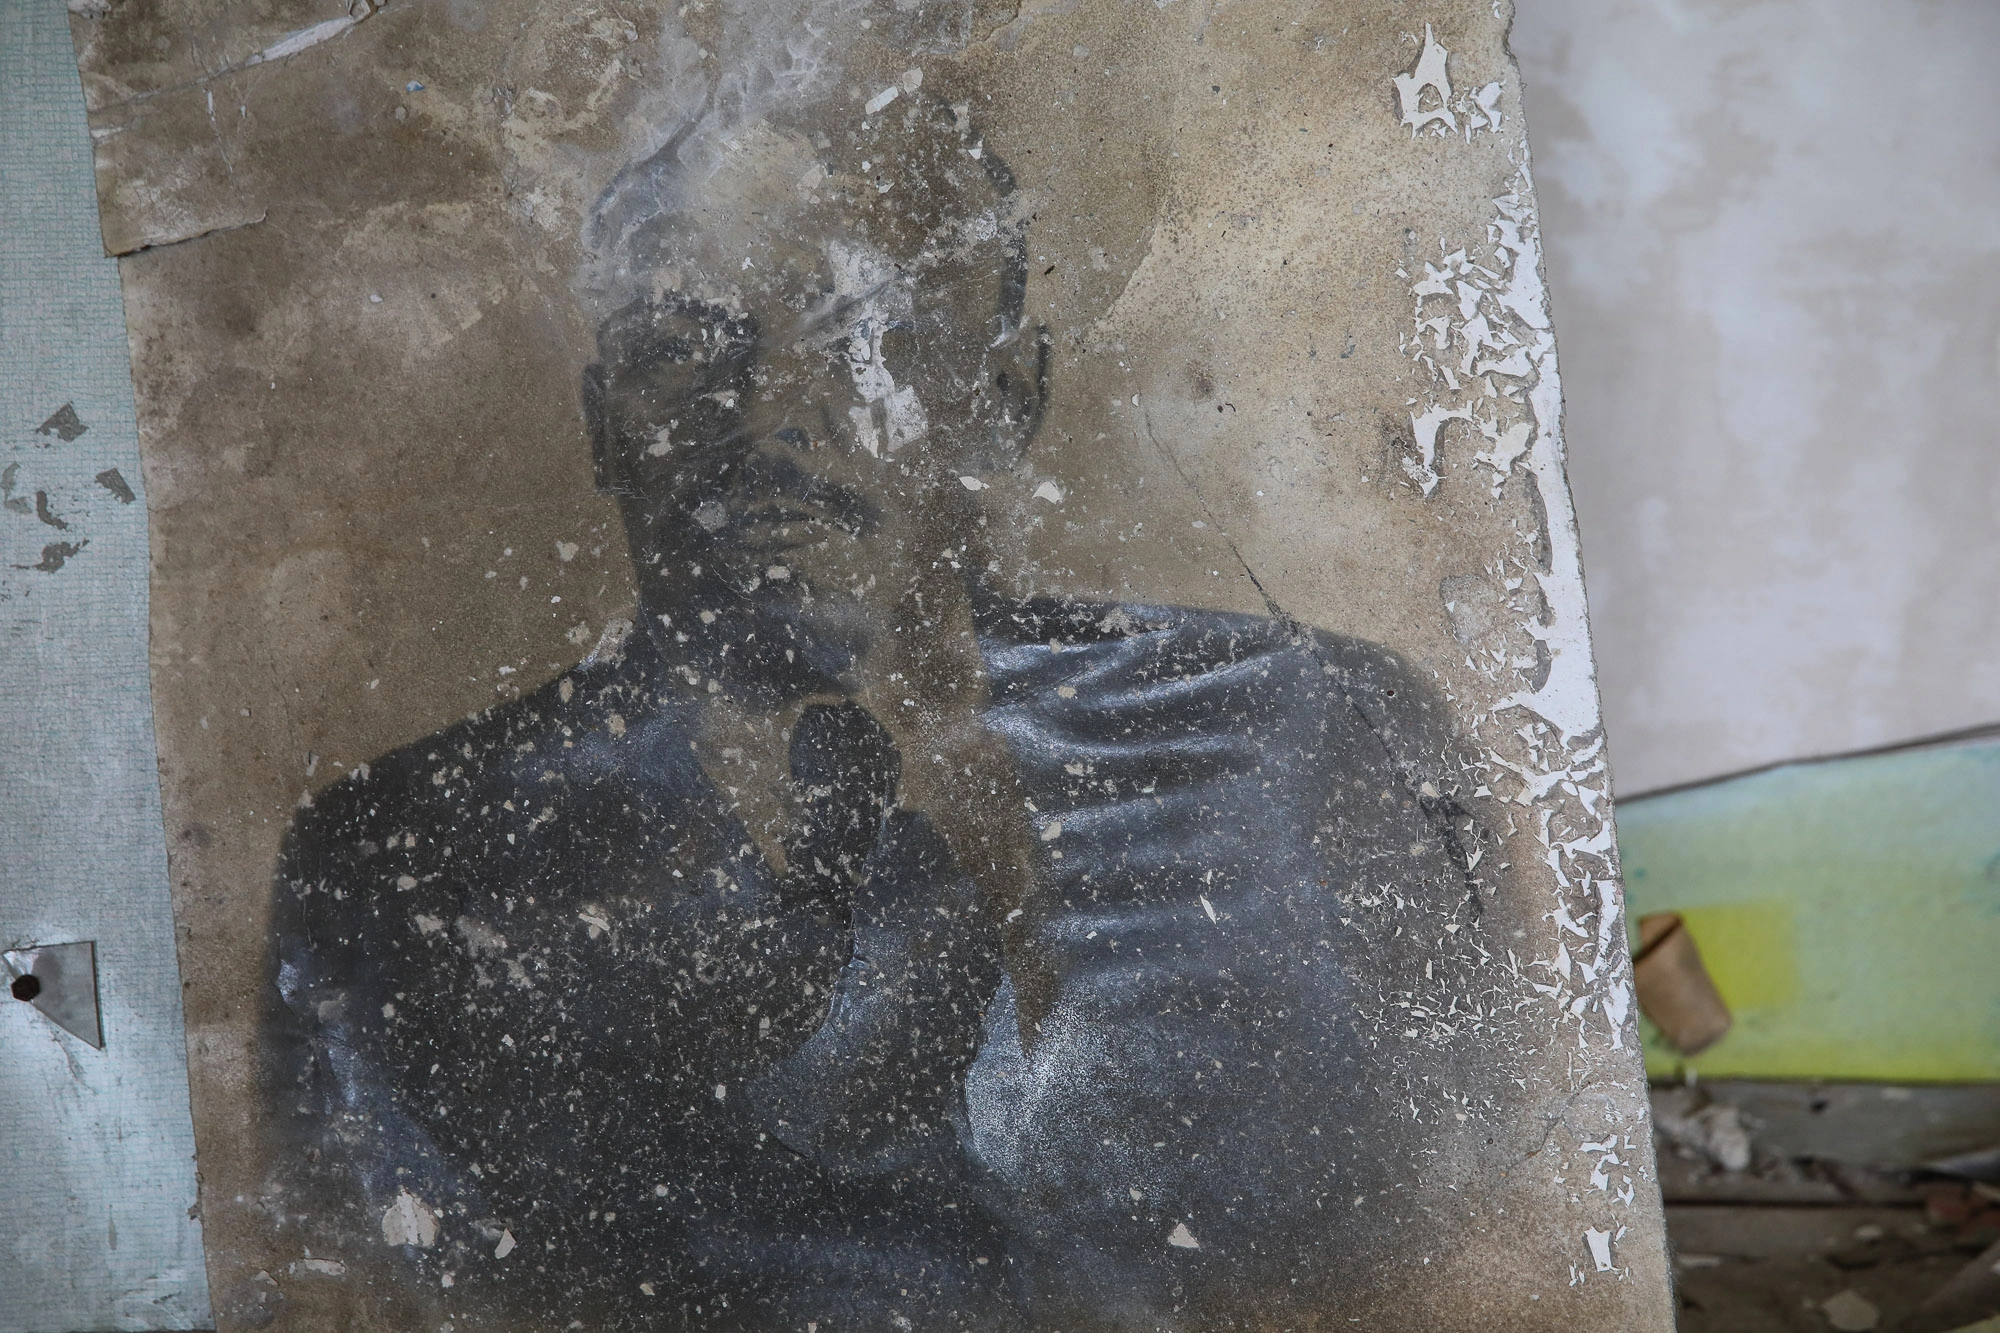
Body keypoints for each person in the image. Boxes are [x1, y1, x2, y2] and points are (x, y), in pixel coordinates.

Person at [266, 93, 1484, 1331]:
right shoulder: (395, 862)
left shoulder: (1301, 735)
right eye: (686, 347)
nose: (768, 417)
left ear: (1005, 401)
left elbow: (1456, 1227)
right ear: (603, 425)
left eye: (865, 338)